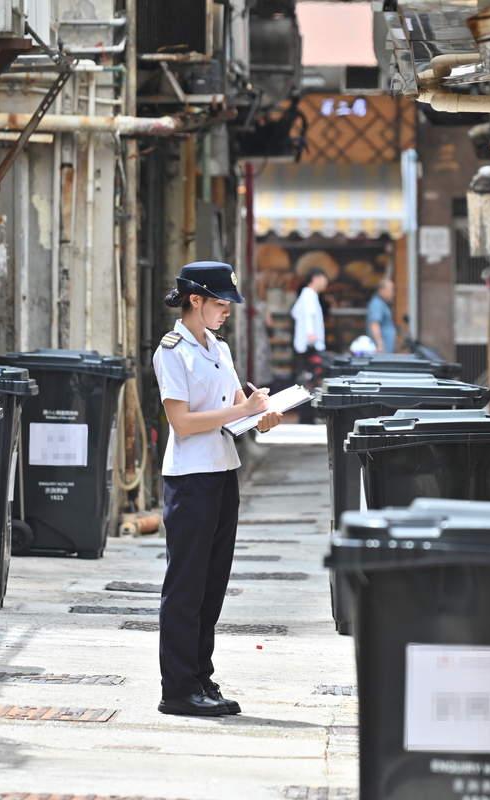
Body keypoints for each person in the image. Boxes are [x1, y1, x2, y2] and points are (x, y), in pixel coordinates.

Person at [152, 261, 283, 717]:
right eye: (220, 303)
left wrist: (259, 417)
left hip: (223, 471)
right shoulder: (173, 351)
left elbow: (231, 413)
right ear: (195, 300)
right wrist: (239, 410)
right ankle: (178, 688)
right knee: (185, 586)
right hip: (190, 479)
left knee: (212, 586)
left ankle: (200, 678)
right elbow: (182, 422)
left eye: (227, 304)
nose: (226, 311)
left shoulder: (219, 349)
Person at [290, 266, 328, 380]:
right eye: (324, 278)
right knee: (310, 379)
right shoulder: (309, 296)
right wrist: (310, 333)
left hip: (306, 344)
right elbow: (308, 316)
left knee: (307, 376)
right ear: (315, 278)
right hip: (310, 345)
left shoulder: (307, 295)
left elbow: (295, 312)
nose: (326, 282)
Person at [365, 278, 397, 353]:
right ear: (382, 290)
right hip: (381, 350)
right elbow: (374, 324)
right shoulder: (376, 304)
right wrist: (379, 345)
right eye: (391, 289)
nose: (393, 293)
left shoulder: (381, 303)